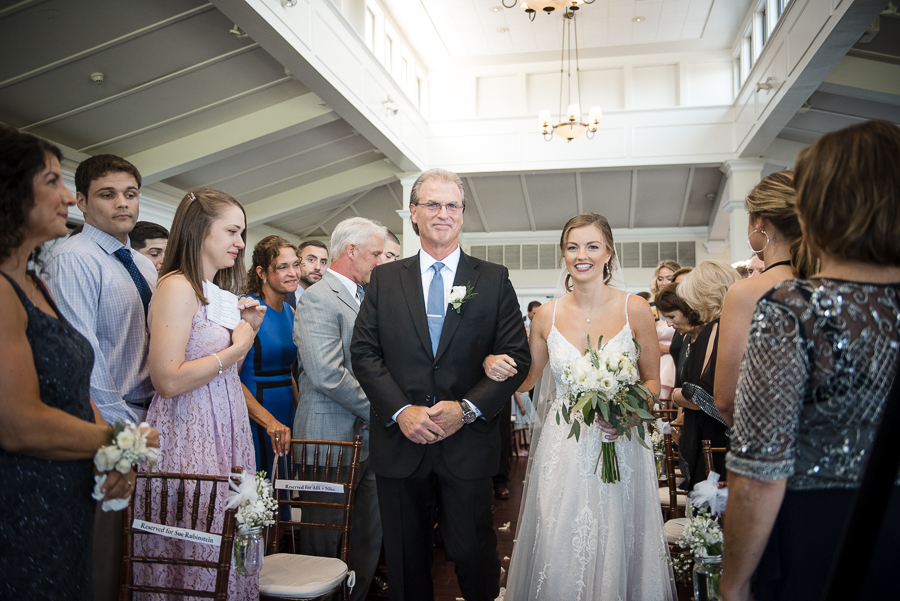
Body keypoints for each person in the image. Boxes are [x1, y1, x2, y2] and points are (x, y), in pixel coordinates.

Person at [722, 120, 900, 601]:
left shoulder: (796, 307)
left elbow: (760, 473)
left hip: (828, 532)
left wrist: (733, 583)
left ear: (820, 205)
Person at [351, 168, 530, 601]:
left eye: (452, 205)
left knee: (474, 555)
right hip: (401, 441)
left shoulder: (492, 278)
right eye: (432, 204)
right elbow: (364, 353)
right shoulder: (386, 279)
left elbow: (518, 359)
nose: (443, 213)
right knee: (407, 563)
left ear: (463, 214)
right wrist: (401, 412)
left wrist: (465, 409)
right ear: (414, 213)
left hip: (467, 443)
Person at [0, 125, 157, 600]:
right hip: (27, 486)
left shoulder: (33, 281)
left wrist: (121, 452)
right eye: (52, 181)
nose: (66, 196)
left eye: (130, 194)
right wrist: (126, 439)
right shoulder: (51, 268)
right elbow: (18, 423)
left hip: (72, 471)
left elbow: (71, 376)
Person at [495, 212, 675, 600]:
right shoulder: (547, 315)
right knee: (561, 534)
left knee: (617, 532)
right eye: (573, 247)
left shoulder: (636, 309)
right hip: (565, 447)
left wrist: (627, 413)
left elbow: (651, 381)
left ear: (608, 253)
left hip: (620, 442)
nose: (582, 255)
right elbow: (526, 381)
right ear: (563, 255)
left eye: (592, 246)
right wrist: (492, 364)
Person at [135, 187, 264, 599]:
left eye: (241, 233)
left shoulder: (219, 292)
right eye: (231, 231)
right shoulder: (176, 286)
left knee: (227, 535)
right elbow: (167, 381)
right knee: (196, 538)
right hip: (188, 428)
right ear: (199, 230)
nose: (240, 243)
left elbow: (226, 374)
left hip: (225, 424)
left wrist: (249, 332)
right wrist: (237, 347)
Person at [42, 153, 158, 600]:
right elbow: (82, 358)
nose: (122, 204)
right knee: (104, 557)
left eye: (130, 194)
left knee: (139, 549)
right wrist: (121, 435)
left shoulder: (142, 263)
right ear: (82, 202)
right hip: (107, 420)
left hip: (149, 417)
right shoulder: (73, 258)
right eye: (108, 195)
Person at [292, 216, 387, 601]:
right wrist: (382, 411)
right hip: (327, 438)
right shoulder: (318, 298)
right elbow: (327, 374)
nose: (381, 261)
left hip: (369, 439)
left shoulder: (368, 297)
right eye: (376, 253)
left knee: (367, 532)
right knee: (323, 534)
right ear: (352, 251)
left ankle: (357, 595)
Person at [714, 172, 817, 427]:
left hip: (771, 438)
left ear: (759, 222)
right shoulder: (828, 282)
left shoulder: (746, 292)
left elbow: (726, 400)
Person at [671, 261, 739, 490]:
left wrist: (677, 394)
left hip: (713, 434)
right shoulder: (737, 325)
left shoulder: (714, 329)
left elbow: (702, 396)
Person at [240, 235, 297, 474]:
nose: (293, 272)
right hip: (256, 407)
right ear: (262, 272)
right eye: (283, 267)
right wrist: (269, 421)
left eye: (296, 264)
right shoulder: (247, 309)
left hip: (286, 408)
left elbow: (288, 370)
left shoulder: (290, 311)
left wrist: (299, 411)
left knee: (282, 488)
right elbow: (230, 378)